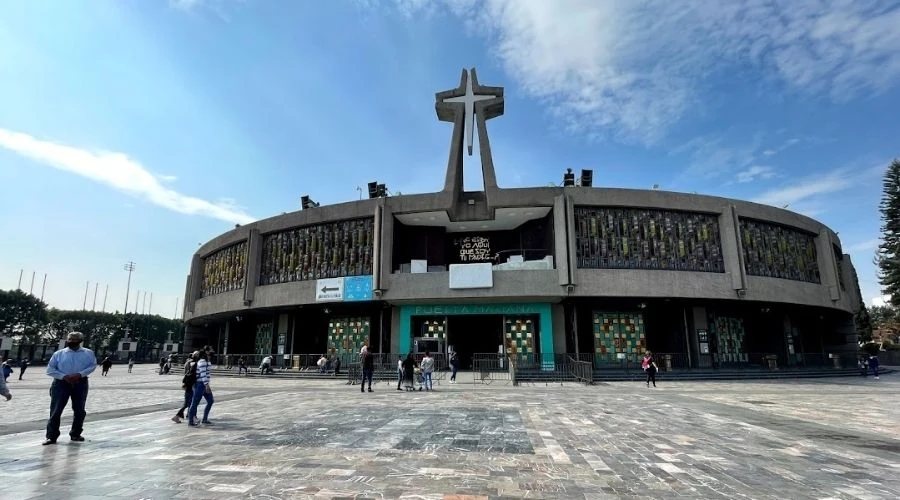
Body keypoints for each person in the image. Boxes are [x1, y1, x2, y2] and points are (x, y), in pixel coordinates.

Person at [43, 332, 97, 445]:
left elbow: (92, 366)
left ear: (80, 341)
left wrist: (79, 374)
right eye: (70, 339)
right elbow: (50, 369)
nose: (72, 341)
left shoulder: (88, 353)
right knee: (55, 410)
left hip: (80, 383)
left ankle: (75, 434)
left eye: (75, 339)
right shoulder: (59, 354)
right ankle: (51, 436)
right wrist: (64, 376)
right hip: (61, 383)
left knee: (79, 410)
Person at [187, 350, 214, 426]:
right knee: (195, 403)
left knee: (210, 400)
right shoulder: (202, 362)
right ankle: (190, 421)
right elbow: (203, 374)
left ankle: (204, 419)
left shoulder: (205, 361)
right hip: (200, 385)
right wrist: (206, 385)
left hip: (203, 384)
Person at [172, 351, 198, 423]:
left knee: (189, 402)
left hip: (188, 384)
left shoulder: (189, 363)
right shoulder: (193, 364)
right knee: (190, 402)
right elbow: (191, 374)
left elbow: (186, 373)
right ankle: (191, 416)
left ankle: (189, 416)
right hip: (190, 385)